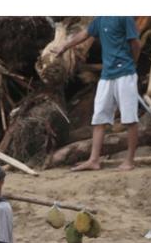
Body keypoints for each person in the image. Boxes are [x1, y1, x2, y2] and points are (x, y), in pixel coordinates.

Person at [50, 17, 141, 172]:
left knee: (129, 118)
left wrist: (131, 63)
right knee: (99, 118)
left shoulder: (124, 17)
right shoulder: (100, 19)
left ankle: (129, 161)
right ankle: (93, 160)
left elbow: (135, 44)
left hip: (125, 74)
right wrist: (64, 46)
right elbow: (84, 34)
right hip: (107, 75)